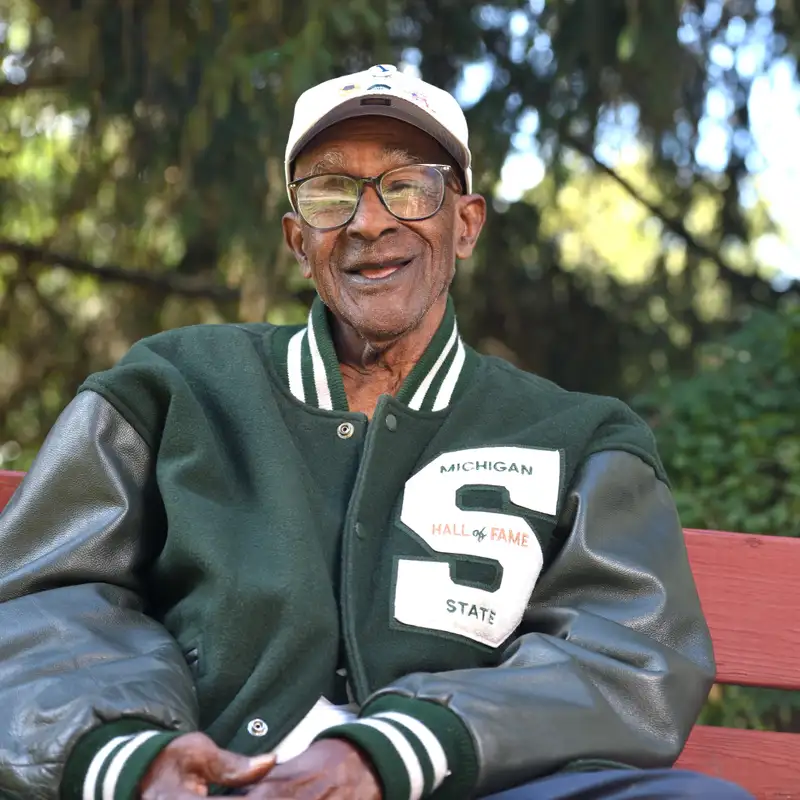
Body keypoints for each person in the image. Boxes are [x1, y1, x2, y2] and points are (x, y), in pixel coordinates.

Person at [0, 64, 751, 800]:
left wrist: (400, 751)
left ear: (465, 223)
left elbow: (629, 658)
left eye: (408, 185)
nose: (368, 221)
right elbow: (41, 600)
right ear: (299, 242)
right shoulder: (173, 385)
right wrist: (134, 758)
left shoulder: (578, 437)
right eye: (332, 191)